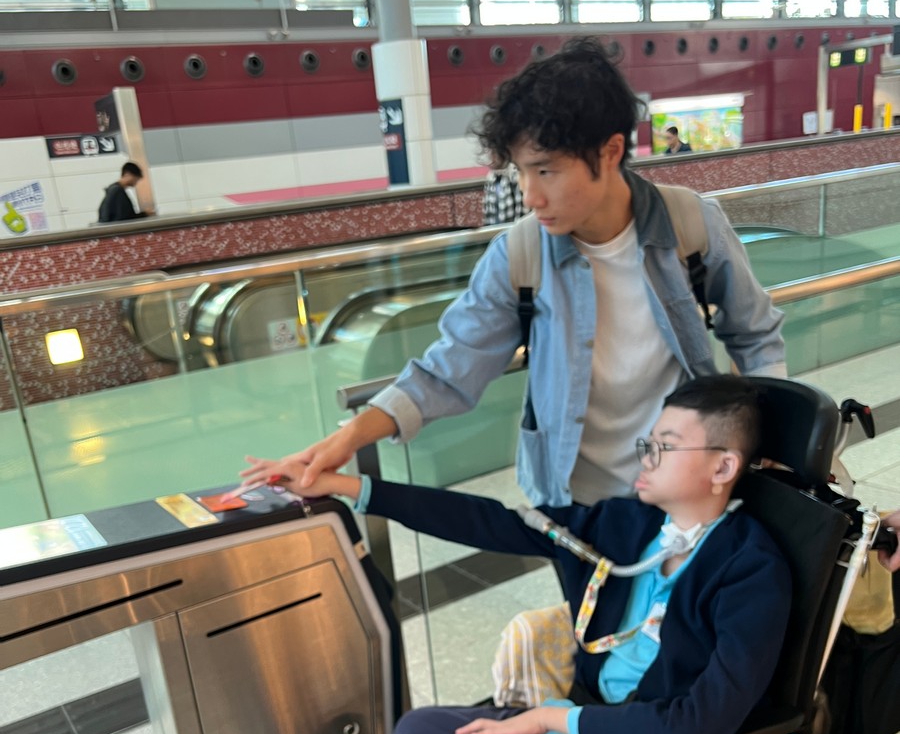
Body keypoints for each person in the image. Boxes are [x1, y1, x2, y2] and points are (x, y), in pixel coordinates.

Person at [251, 375, 792, 734]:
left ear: (722, 468)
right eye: (646, 442)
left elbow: (700, 723)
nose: (645, 457)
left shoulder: (750, 570)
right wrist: (351, 487)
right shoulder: (625, 526)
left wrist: (553, 719)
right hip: (579, 723)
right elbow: (495, 523)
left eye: (666, 446)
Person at [240, 38, 785, 510]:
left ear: (611, 151)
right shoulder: (519, 254)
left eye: (546, 170)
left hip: (687, 493)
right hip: (573, 503)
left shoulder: (690, 223)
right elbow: (449, 370)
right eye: (521, 172)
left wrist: (779, 443)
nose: (530, 195)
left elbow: (755, 333)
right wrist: (341, 443)